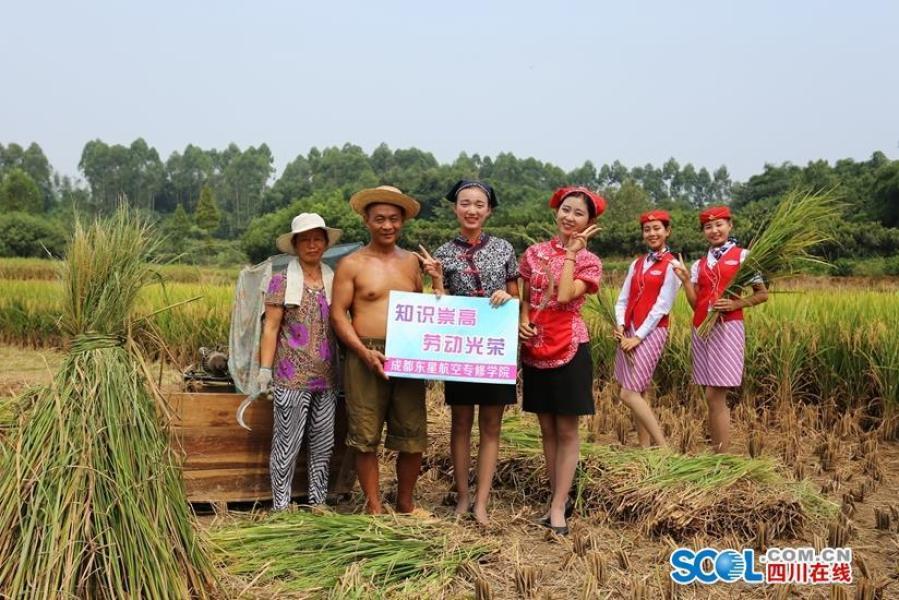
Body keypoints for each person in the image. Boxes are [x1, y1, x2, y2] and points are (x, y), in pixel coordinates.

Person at [416, 180, 519, 525]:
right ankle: (462, 496)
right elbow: (439, 307)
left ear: (489, 210)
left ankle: (482, 502)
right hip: (461, 349)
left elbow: (518, 299)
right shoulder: (443, 254)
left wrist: (508, 297)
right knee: (460, 423)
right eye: (465, 203)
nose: (472, 209)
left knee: (491, 425)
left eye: (479, 204)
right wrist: (435, 280)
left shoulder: (504, 249)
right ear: (455, 208)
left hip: (493, 350)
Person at [330, 185, 427, 514]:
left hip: (407, 354)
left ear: (403, 222)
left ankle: (406, 502)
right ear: (366, 221)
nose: (388, 226)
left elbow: (424, 310)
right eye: (380, 219)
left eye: (395, 219)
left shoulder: (413, 262)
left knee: (412, 434)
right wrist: (362, 351)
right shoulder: (351, 264)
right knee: (364, 433)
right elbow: (338, 315)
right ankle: (373, 505)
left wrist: (439, 283)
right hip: (364, 355)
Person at [518, 186, 603, 535]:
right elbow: (525, 296)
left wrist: (571, 254)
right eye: (566, 210)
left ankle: (557, 507)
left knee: (567, 430)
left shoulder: (589, 261)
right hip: (535, 346)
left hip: (569, 345)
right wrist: (523, 320)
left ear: (589, 222)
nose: (570, 217)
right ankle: (558, 497)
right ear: (557, 211)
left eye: (578, 213)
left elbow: (566, 295)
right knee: (547, 429)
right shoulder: (534, 253)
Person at [258, 213, 343, 510]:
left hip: (328, 379)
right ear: (295, 245)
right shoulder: (280, 282)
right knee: (287, 444)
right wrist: (265, 369)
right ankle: (281, 506)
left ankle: (317, 502)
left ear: (325, 243)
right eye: (305, 239)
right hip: (290, 377)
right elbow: (270, 327)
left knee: (322, 445)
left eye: (317, 239)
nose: (312, 244)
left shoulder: (336, 280)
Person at [671, 206, 768, 453]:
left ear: (729, 225)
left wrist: (736, 303)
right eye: (708, 227)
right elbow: (696, 304)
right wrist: (684, 282)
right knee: (710, 396)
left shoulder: (744, 256)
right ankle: (718, 454)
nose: (714, 230)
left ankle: (722, 456)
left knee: (715, 395)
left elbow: (762, 294)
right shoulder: (699, 264)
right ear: (703, 231)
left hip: (728, 328)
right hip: (702, 329)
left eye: (719, 225)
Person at [612, 210, 681, 448]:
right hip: (629, 330)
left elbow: (662, 306)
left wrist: (638, 337)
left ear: (667, 231)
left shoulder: (673, 265)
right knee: (637, 391)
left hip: (651, 332)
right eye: (647, 229)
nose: (652, 233)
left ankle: (663, 448)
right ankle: (644, 448)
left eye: (657, 228)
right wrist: (621, 325)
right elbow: (623, 298)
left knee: (628, 394)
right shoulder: (637, 263)